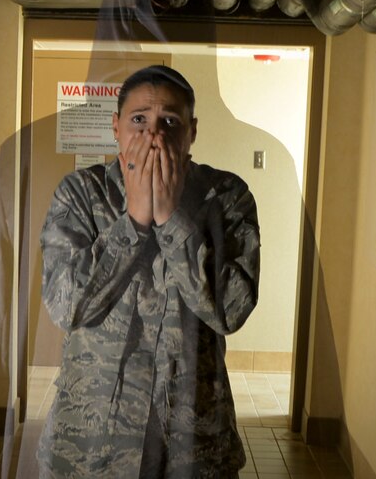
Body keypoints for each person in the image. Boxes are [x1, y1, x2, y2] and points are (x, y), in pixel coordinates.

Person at [36, 65, 261, 478]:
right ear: (116, 127)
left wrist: (172, 218)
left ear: (191, 131)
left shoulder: (226, 196)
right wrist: (134, 221)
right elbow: (66, 307)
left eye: (169, 121)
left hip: (193, 442)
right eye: (139, 119)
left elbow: (231, 311)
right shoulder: (81, 195)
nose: (153, 135)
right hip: (94, 440)